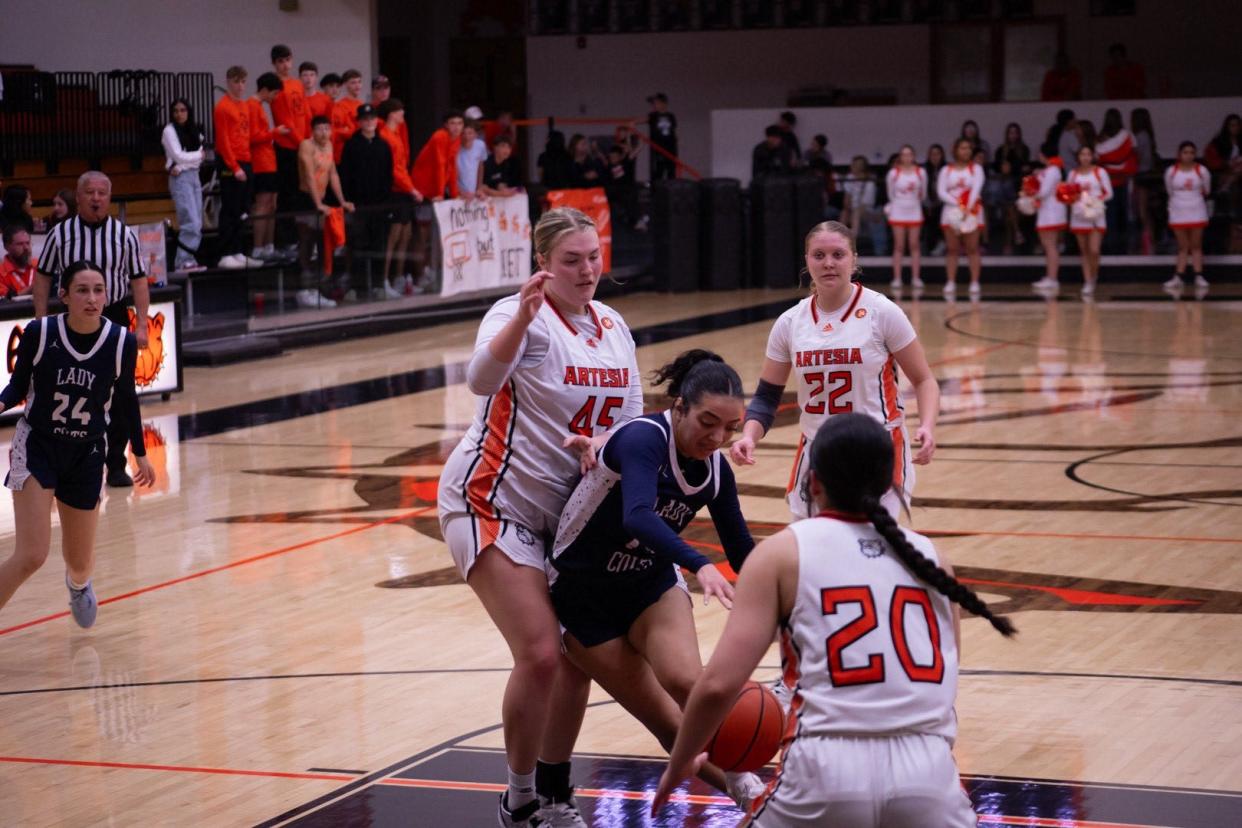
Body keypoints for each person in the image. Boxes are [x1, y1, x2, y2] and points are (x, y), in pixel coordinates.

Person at [652, 413, 1015, 827]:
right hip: (928, 773)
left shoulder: (782, 552)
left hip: (825, 769)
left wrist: (681, 763)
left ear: (814, 481)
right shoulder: (933, 558)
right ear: (891, 479)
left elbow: (717, 685)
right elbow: (946, 680)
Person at [437, 207, 642, 827]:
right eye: (572, 260)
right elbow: (479, 380)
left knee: (579, 656)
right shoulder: (516, 312)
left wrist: (605, 456)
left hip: (570, 518)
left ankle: (554, 796)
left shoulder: (612, 324)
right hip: (490, 500)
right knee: (541, 653)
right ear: (544, 266)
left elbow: (629, 425)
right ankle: (519, 797)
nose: (586, 270)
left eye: (593, 256)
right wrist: (520, 322)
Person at [549, 349, 767, 814]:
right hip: (582, 593)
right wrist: (699, 564)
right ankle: (749, 794)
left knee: (690, 682)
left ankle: (758, 798)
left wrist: (788, 601)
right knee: (669, 724)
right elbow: (638, 516)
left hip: (648, 584)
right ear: (680, 407)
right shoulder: (644, 438)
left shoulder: (715, 470)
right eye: (707, 421)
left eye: (729, 427)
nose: (717, 436)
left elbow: (742, 548)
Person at [731, 220, 939, 521]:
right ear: (807, 260)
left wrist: (928, 427)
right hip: (818, 451)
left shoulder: (883, 313)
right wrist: (749, 436)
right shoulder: (790, 322)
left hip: (876, 447)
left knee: (870, 551)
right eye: (819, 255)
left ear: (854, 259)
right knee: (811, 554)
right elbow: (766, 396)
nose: (828, 263)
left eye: (838, 255)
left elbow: (924, 379)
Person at [0, 261, 155, 627]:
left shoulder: (120, 341)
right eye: (82, 290)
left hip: (86, 453)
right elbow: (18, 387)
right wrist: (2, 402)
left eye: (98, 290)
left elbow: (126, 400)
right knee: (32, 554)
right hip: (38, 446)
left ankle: (78, 584)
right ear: (64, 296)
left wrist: (141, 451)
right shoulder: (40, 333)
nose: (92, 298)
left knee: (80, 561)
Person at [34, 172, 150, 488]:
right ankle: (62, 459)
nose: (96, 198)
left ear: (109, 198)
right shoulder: (60, 234)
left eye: (102, 193)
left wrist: (141, 324)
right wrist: (41, 320)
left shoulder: (124, 235)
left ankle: (116, 464)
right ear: (78, 196)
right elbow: (43, 277)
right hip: (70, 318)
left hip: (112, 315)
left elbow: (138, 280)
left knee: (123, 392)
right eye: (89, 192)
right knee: (68, 388)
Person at [295, 115, 354, 308]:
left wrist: (342, 200)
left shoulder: (329, 145)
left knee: (322, 243)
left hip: (321, 196)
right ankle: (305, 289)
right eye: (320, 129)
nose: (324, 133)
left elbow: (333, 174)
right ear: (313, 130)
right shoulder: (306, 145)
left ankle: (318, 288)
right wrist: (317, 203)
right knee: (307, 240)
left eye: (327, 129)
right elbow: (310, 175)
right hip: (306, 197)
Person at [338, 104, 392, 293]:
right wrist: (348, 200)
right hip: (358, 206)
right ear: (359, 122)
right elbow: (345, 175)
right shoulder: (351, 146)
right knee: (358, 247)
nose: (369, 122)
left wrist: (386, 203)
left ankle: (377, 284)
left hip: (379, 206)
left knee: (379, 246)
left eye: (372, 118)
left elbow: (388, 175)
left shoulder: (383, 145)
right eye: (365, 119)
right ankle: (358, 287)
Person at [410, 110, 465, 291]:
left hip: (436, 193)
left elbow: (451, 168)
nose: (456, 127)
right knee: (423, 234)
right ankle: (419, 276)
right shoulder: (439, 137)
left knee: (437, 236)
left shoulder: (456, 140)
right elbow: (440, 165)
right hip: (425, 192)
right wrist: (441, 193)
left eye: (459, 123)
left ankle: (432, 273)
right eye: (453, 123)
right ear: (446, 125)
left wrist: (455, 194)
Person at [213, 66, 258, 270]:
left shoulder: (245, 106)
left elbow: (246, 135)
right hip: (231, 163)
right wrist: (234, 166)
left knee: (242, 209)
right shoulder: (223, 107)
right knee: (230, 207)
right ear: (229, 82)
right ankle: (225, 252)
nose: (240, 86)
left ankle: (238, 251)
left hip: (245, 160)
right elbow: (223, 142)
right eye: (236, 82)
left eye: (243, 82)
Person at [378, 98, 421, 299]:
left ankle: (399, 276)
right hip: (396, 191)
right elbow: (395, 169)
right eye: (399, 110)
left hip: (404, 190)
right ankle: (384, 279)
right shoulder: (386, 135)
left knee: (406, 234)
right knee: (392, 237)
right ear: (391, 114)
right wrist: (411, 189)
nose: (402, 112)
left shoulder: (397, 134)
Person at [270, 45, 311, 249]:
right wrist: (302, 143)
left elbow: (305, 113)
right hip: (287, 147)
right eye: (280, 61)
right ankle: (286, 240)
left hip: (302, 144)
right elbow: (284, 120)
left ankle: (301, 238)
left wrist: (310, 140)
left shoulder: (297, 84)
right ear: (275, 64)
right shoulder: (276, 86)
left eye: (287, 60)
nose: (285, 65)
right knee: (287, 194)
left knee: (302, 192)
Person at [161, 98, 206, 272]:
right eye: (176, 111)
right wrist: (194, 157)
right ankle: (182, 261)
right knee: (190, 222)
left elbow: (193, 162)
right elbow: (179, 155)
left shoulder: (194, 130)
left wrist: (179, 165)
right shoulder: (169, 130)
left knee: (198, 223)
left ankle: (189, 258)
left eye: (183, 110)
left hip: (194, 177)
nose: (179, 114)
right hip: (181, 180)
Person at [247, 72, 288, 263]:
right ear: (265, 90)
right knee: (262, 205)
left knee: (272, 204)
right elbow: (253, 137)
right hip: (260, 163)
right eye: (274, 93)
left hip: (268, 161)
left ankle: (269, 245)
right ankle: (258, 247)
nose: (275, 97)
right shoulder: (252, 106)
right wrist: (275, 132)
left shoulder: (259, 107)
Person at [937, 138, 985, 296]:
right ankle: (950, 281)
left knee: (972, 248)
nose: (966, 151)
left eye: (968, 148)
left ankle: (975, 282)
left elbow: (976, 189)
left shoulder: (976, 169)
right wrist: (958, 204)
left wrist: (967, 208)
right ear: (955, 150)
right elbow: (941, 191)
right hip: (951, 213)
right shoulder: (946, 170)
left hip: (971, 213)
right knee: (952, 249)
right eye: (962, 148)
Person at [1162, 142, 1211, 291]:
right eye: (1185, 152)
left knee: (1196, 245)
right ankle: (1179, 276)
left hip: (1197, 210)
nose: (1188, 155)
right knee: (1183, 246)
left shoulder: (1202, 171)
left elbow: (1207, 189)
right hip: (1178, 211)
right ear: (1179, 154)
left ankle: (1199, 275)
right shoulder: (1171, 171)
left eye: (1191, 152)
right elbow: (1169, 190)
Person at [1067, 144, 1113, 298]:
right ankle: (1087, 281)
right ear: (1078, 157)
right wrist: (1077, 201)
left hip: (1095, 215)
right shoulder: (1073, 174)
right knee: (1084, 250)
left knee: (1094, 250)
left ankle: (1094, 275)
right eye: (1082, 154)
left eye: (1088, 154)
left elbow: (1109, 193)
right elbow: (1068, 194)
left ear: (1092, 156)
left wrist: (1093, 201)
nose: (1085, 157)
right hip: (1079, 216)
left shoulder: (1100, 172)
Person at [884, 146, 927, 288]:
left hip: (914, 209)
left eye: (909, 154)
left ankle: (916, 277)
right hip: (898, 210)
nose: (907, 157)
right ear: (900, 156)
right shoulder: (893, 173)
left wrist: (912, 202)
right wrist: (899, 203)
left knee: (914, 245)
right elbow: (890, 193)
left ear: (914, 156)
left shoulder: (921, 172)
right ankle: (897, 278)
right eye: (904, 154)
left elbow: (923, 193)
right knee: (899, 245)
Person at [1096, 108, 1137, 254]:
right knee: (1125, 212)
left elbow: (1098, 158)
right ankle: (1125, 244)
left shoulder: (1100, 139)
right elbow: (1133, 153)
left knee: (1109, 213)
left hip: (1107, 181)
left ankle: (1109, 243)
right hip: (1124, 179)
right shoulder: (1127, 136)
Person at [1030, 142, 1068, 292]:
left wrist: (1031, 194)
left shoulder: (1053, 170)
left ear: (1043, 154)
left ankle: (1052, 278)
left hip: (1051, 212)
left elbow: (1044, 192)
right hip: (1047, 211)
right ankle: (1050, 277)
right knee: (1048, 246)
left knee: (1050, 246)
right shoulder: (1051, 170)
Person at [841, 156, 886, 255]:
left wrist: (854, 210)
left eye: (855, 165)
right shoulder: (850, 178)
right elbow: (846, 200)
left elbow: (866, 204)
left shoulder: (869, 181)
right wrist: (848, 209)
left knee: (856, 212)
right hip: (852, 209)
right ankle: (840, 244)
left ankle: (852, 244)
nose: (852, 167)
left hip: (867, 210)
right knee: (844, 213)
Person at [1130, 108, 1158, 254]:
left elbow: (1137, 157)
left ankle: (1148, 242)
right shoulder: (1148, 135)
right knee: (1145, 210)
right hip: (1147, 173)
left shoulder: (1140, 136)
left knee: (1142, 211)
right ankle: (1149, 240)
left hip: (1141, 175)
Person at [1203, 113, 1242, 218]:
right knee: (1233, 183)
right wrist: (1225, 163)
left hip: (1238, 172)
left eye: (1237, 125)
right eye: (1232, 125)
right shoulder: (1218, 142)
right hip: (1223, 171)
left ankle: (1225, 188)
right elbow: (1211, 159)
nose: (1235, 128)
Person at [332, 69, 365, 163]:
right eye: (353, 83)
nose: (357, 86)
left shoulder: (361, 105)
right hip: (344, 154)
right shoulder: (339, 106)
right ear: (345, 85)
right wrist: (352, 131)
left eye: (359, 82)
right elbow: (337, 131)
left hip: (359, 152)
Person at [647, 93, 678, 180]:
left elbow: (674, 131)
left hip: (670, 147)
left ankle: (671, 189)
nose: (654, 105)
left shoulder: (671, 116)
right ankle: (657, 190)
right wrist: (633, 122)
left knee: (671, 170)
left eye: (657, 103)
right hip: (658, 148)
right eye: (654, 103)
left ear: (663, 103)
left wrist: (675, 141)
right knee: (658, 171)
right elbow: (645, 119)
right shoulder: (653, 115)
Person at [922, 143, 946, 255]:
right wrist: (928, 205)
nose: (935, 156)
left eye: (937, 154)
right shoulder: (924, 170)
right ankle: (927, 244)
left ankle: (942, 243)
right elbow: (922, 190)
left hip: (943, 203)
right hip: (927, 203)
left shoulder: (947, 169)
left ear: (942, 155)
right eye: (932, 154)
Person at [0, 225, 37, 298]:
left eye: (28, 243)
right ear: (7, 247)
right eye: (20, 244)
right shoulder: (1, 273)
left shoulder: (39, 265)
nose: (26, 248)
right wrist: (30, 289)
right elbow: (4, 300)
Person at [457, 120, 489, 199]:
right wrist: (461, 192)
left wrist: (479, 188)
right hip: (456, 192)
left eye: (470, 133)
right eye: (463, 133)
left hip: (473, 192)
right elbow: (450, 174)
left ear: (476, 135)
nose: (467, 136)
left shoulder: (480, 145)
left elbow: (480, 167)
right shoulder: (454, 148)